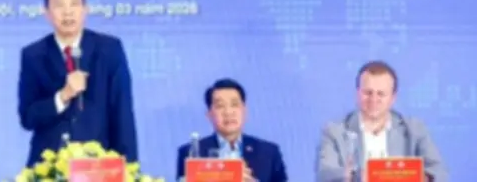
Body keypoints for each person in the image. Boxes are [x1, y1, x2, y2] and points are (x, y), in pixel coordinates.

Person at [17, 0, 138, 166]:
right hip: (48, 168)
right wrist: (62, 96)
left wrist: (129, 167)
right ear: (46, 13)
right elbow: (28, 117)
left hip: (98, 165)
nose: (68, 12)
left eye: (74, 4)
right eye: (59, 5)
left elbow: (122, 112)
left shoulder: (109, 49)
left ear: (85, 9)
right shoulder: (33, 55)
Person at [316, 60, 448, 182]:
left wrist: (412, 176)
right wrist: (360, 176)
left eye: (381, 94)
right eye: (368, 93)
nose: (374, 100)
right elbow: (324, 175)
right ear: (357, 93)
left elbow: (439, 173)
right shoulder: (335, 132)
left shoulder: (414, 130)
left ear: (393, 98)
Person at [175, 78, 288, 182]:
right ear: (209, 114)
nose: (228, 112)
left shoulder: (269, 152)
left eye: (234, 105)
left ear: (244, 110)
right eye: (220, 106)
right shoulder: (191, 152)